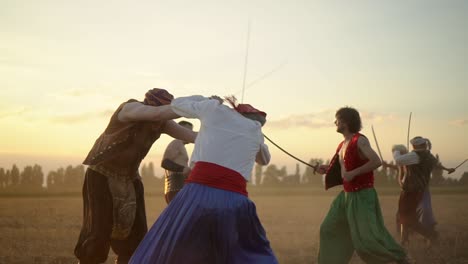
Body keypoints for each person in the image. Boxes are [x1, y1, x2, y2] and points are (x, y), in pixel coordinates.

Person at [129, 95, 278, 264]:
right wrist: (258, 136)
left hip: (197, 194)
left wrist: (204, 99)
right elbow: (264, 160)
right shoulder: (255, 130)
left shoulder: (213, 108)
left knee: (172, 246)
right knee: (248, 252)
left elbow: (178, 104)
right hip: (235, 201)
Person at [74, 88, 197, 264]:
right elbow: (156, 114)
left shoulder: (161, 122)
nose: (162, 118)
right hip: (101, 175)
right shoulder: (129, 109)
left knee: (135, 238)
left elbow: (192, 136)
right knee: (97, 233)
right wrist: (198, 105)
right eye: (162, 111)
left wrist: (224, 128)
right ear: (151, 106)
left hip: (130, 179)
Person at [316, 106, 408, 264]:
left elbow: (376, 161)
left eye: (337, 119)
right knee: (328, 229)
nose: (335, 122)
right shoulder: (341, 145)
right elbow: (344, 170)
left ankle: (400, 259)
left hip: (362, 195)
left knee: (366, 241)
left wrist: (354, 173)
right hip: (345, 197)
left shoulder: (360, 140)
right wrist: (326, 169)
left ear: (345, 121)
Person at [392, 137, 455, 247]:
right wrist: (447, 169)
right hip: (418, 191)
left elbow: (398, 160)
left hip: (410, 191)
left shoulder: (414, 156)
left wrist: (396, 150)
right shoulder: (429, 156)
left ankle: (431, 235)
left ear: (415, 146)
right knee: (405, 216)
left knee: (407, 218)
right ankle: (406, 239)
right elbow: (437, 165)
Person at [161, 120, 194, 203]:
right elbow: (165, 162)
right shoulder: (176, 143)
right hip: (175, 188)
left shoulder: (180, 145)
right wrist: (183, 169)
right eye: (189, 131)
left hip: (179, 187)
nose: (191, 134)